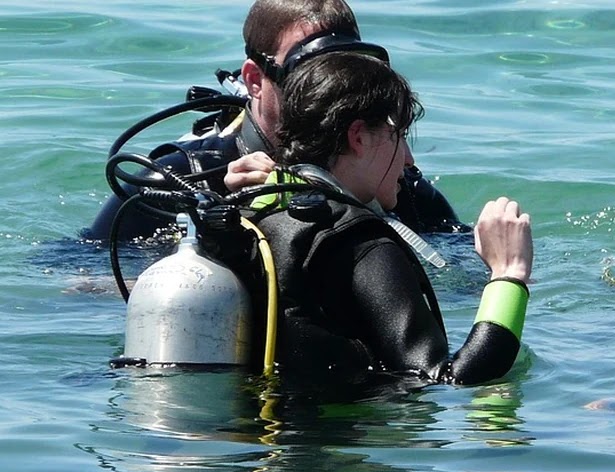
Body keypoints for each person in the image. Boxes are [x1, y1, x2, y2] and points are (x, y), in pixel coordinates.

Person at [228, 50, 532, 383]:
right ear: (358, 137)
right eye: (399, 136)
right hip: (331, 433)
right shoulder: (361, 242)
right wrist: (508, 275)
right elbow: (451, 379)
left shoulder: (256, 209)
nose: (409, 159)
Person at [84, 0, 462, 243]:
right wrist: (219, 235)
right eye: (310, 77)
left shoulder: (393, 186)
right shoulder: (177, 181)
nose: (335, 93)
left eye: (346, 75)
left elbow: (460, 275)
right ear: (253, 80)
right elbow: (78, 286)